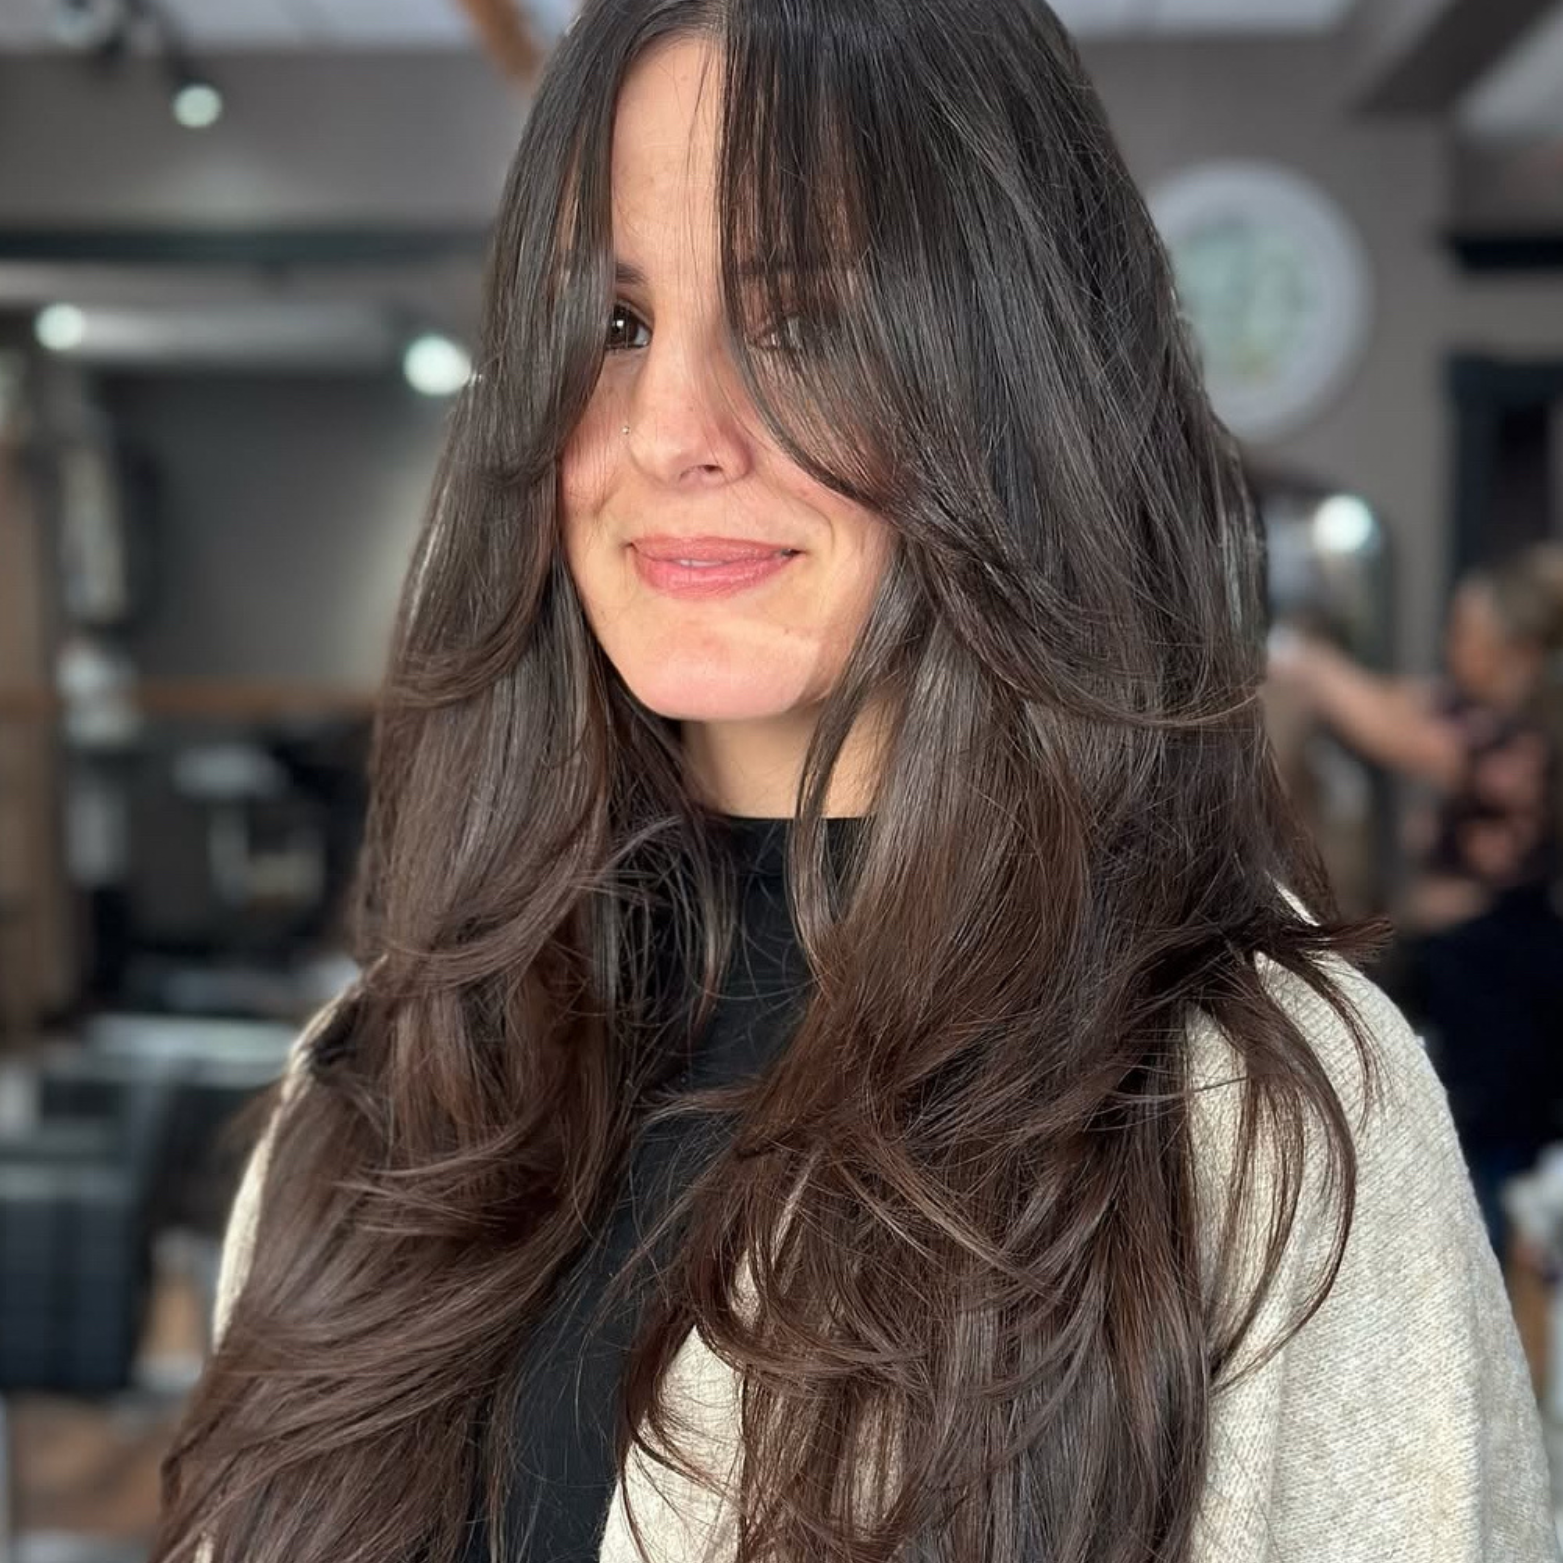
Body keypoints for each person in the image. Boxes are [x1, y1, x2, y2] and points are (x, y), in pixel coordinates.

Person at [153, 3, 1557, 1561]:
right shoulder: (391, 1070)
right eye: (612, 326)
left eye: (802, 322)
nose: (672, 430)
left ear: (1013, 387)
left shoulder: (1250, 1112)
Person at [1271, 544, 1563, 1257]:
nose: (1449, 647)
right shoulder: (1473, 708)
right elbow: (1396, 700)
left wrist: (1306, 661)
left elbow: (1391, 728)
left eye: (1466, 634)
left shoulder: (1516, 739)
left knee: (1488, 1170)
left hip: (1502, 978)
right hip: (1466, 972)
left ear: (1516, 653)